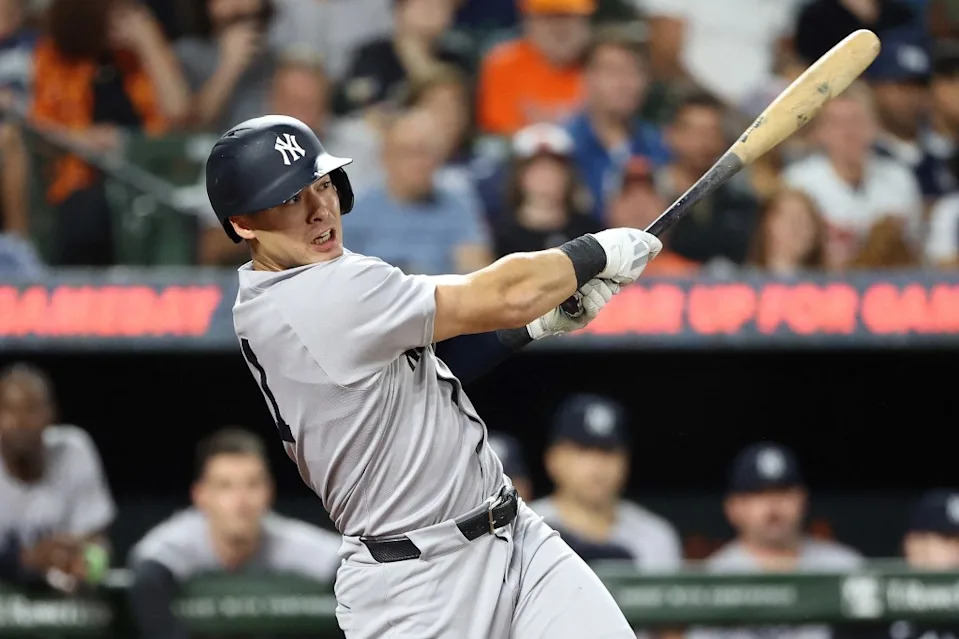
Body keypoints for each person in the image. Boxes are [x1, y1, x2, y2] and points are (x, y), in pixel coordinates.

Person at [203, 112, 662, 638]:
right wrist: (595, 251)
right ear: (243, 223)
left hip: (513, 536)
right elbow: (504, 293)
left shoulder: (308, 282)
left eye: (322, 184)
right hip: (416, 588)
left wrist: (529, 328)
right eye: (288, 199)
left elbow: (428, 360)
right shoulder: (311, 298)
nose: (318, 209)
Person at [127, 427, 342, 639]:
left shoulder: (280, 538)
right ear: (201, 495)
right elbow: (147, 572)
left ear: (269, 491)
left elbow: (344, 561)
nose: (241, 501)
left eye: (252, 484)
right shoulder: (182, 539)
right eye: (225, 486)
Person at [688, 442, 863, 639]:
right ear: (733, 507)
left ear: (803, 500)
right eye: (759, 494)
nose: (773, 507)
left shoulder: (844, 567)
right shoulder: (713, 577)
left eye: (783, 492)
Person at [530, 393, 683, 570]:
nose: (598, 465)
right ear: (553, 459)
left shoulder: (656, 537)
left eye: (608, 451)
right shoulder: (525, 529)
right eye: (583, 451)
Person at [0, 363, 116, 592]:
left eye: (31, 410)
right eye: (8, 410)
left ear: (51, 414)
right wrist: (28, 560)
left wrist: (87, 563)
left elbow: (99, 545)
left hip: (64, 599)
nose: (20, 422)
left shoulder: (74, 450)